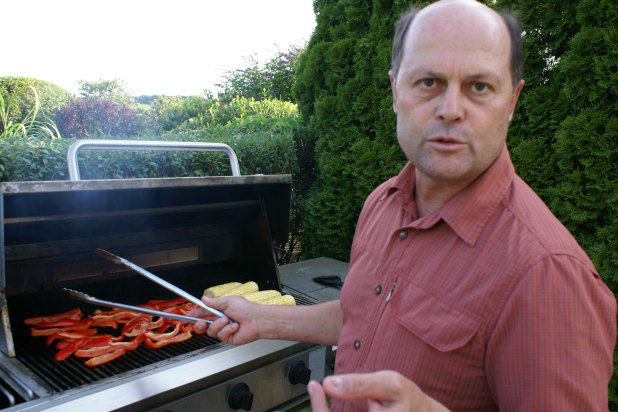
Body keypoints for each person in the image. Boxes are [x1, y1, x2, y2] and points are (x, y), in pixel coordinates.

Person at [191, 0, 617, 410]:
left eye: (479, 86)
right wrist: (264, 319)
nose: (451, 110)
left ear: (511, 103)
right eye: (428, 82)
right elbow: (362, 313)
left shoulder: (549, 276)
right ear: (396, 91)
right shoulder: (383, 203)